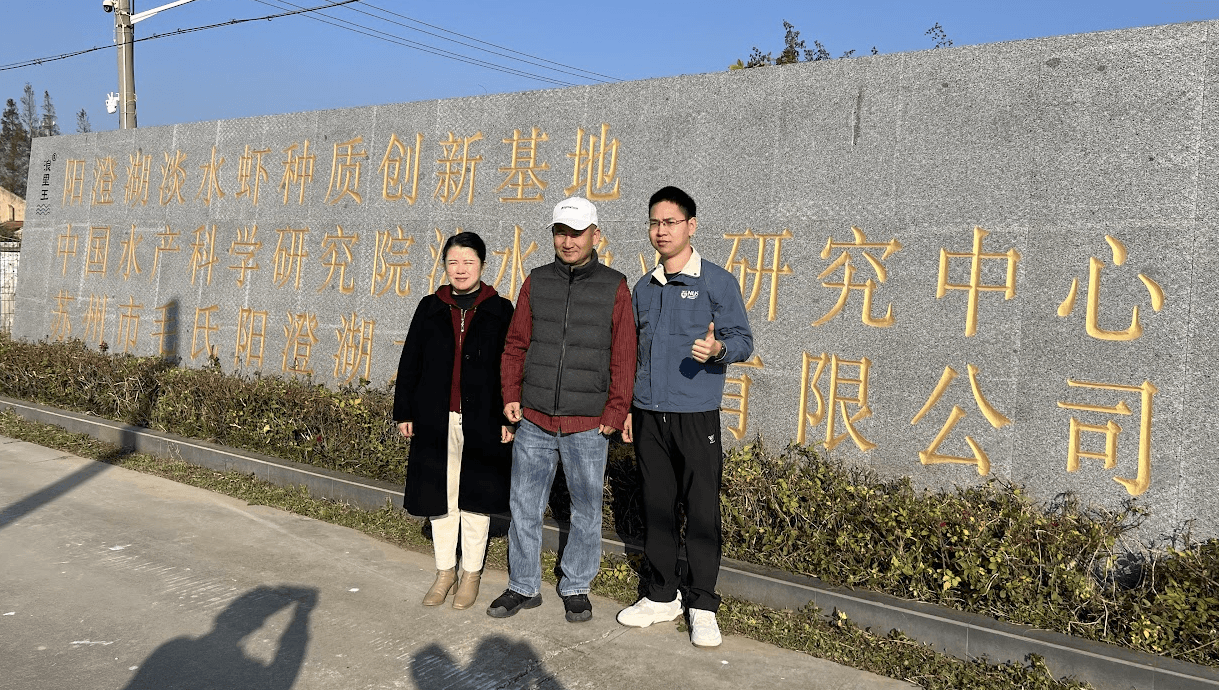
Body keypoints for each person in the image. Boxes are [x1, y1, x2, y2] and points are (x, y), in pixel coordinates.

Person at [616, 186, 754, 647]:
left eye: (671, 222)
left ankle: (702, 603)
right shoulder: (643, 287)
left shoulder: (717, 282)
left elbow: (743, 339)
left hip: (696, 415)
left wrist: (720, 350)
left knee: (700, 508)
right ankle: (661, 595)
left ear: (691, 226)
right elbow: (633, 352)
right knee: (657, 504)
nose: (661, 230)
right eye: (655, 222)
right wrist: (631, 408)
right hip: (650, 414)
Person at [488, 196, 636, 623]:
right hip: (533, 416)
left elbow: (625, 356)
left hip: (588, 423)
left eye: (576, 233)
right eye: (560, 232)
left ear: (596, 235)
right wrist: (510, 395)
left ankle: (575, 585)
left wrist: (615, 411)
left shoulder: (615, 286)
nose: (567, 241)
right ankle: (523, 585)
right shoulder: (536, 281)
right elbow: (516, 345)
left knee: (587, 509)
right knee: (524, 505)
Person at [393, 231, 515, 610]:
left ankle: (471, 574)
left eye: (468, 262)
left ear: (482, 264)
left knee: (476, 499)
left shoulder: (500, 309)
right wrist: (404, 411)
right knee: (440, 497)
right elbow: (410, 360)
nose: (460, 270)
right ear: (444, 265)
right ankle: (445, 571)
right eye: (453, 262)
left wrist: (510, 416)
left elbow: (510, 366)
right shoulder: (430, 306)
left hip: (483, 418)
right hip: (435, 417)